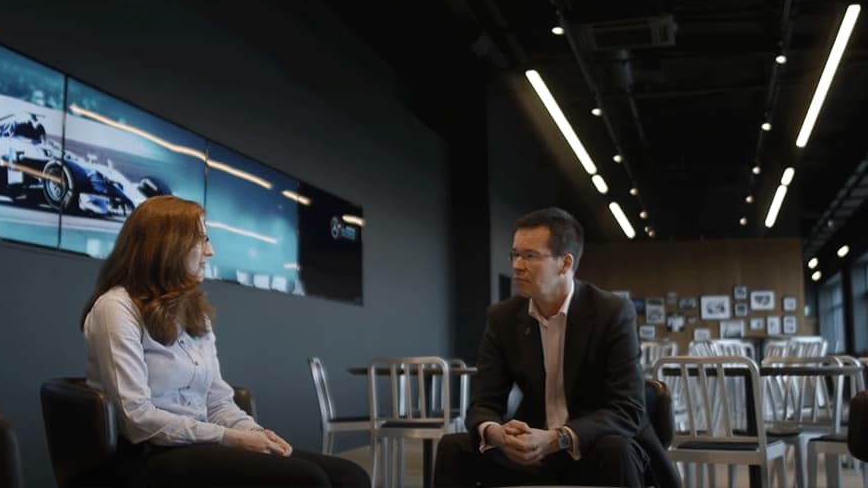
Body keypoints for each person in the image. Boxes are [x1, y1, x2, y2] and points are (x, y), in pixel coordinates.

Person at [82, 195, 370, 488]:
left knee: (349, 476)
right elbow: (137, 420)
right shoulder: (115, 308)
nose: (210, 251)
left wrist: (256, 434)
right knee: (309, 480)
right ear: (168, 245)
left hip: (202, 446)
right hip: (147, 454)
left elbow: (217, 401)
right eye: (202, 240)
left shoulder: (195, 313)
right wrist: (230, 438)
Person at [433, 207, 679, 488]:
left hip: (593, 446)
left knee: (618, 452)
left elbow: (627, 409)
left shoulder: (611, 313)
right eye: (515, 254)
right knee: (454, 448)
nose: (516, 265)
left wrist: (557, 438)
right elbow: (483, 404)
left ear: (564, 264)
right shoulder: (502, 318)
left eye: (530, 256)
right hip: (532, 448)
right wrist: (496, 433)